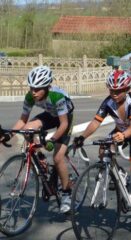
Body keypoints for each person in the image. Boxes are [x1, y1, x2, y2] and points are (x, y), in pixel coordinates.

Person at [73, 69, 131, 223]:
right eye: (112, 90)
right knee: (103, 150)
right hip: (120, 130)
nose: (114, 94)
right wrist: (82, 137)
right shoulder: (108, 102)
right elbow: (96, 122)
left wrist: (123, 135)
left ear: (127, 89)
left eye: (118, 91)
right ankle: (121, 176)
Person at [0, 65, 75, 213]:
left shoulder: (56, 96)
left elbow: (64, 123)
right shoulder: (30, 96)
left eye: (37, 89)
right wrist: (9, 135)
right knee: (28, 128)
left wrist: (52, 140)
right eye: (31, 88)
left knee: (58, 158)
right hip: (50, 115)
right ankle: (40, 157)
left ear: (47, 87)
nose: (33, 92)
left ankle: (67, 194)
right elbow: (22, 121)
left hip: (64, 119)